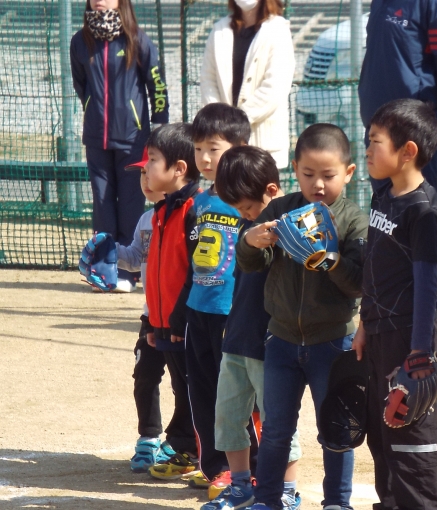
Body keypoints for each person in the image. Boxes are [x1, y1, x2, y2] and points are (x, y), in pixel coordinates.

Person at [235, 124, 369, 510]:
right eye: (308, 174)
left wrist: (330, 259)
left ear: (348, 172)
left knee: (336, 429)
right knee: (277, 430)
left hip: (334, 343)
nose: (318, 183)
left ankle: (337, 502)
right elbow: (252, 263)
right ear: (295, 169)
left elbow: (359, 283)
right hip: (281, 341)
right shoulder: (280, 210)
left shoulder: (354, 219)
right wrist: (250, 241)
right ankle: (266, 500)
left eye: (328, 175)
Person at [150, 103, 260, 494]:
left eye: (214, 148)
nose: (205, 158)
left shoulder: (251, 201)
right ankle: (216, 467)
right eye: (199, 149)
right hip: (199, 312)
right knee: (202, 393)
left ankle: (250, 469)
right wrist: (181, 313)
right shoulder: (198, 202)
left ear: (240, 147)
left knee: (240, 396)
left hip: (234, 314)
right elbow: (194, 264)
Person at [352, 98, 437, 510]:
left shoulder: (423, 210)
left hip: (407, 339)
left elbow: (429, 285)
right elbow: (374, 268)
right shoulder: (384, 195)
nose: (367, 150)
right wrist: (363, 323)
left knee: (411, 433)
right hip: (377, 333)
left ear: (407, 151)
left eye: (376, 142)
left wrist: (420, 352)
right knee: (382, 433)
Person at [202, 145, 302, 510]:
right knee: (229, 418)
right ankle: (241, 486)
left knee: (278, 422)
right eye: (239, 210)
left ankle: (288, 491)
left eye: (247, 208)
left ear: (272, 191)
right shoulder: (249, 228)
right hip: (237, 339)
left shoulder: (292, 229)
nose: (244, 215)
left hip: (271, 343)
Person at [358, 0, 437, 324]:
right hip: (377, 126)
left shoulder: (431, 3)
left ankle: (432, 307)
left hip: (412, 127)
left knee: (421, 216)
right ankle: (394, 300)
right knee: (385, 219)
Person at [70, 0, 169, 292]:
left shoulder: (137, 38)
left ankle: (128, 272)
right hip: (95, 139)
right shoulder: (80, 41)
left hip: (134, 138)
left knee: (130, 204)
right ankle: (104, 271)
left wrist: (159, 123)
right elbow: (80, 84)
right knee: (102, 204)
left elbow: (156, 83)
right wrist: (94, 110)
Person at [140, 123, 202, 478]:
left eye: (153, 160)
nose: (146, 167)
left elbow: (195, 272)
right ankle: (186, 448)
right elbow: (157, 274)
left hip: (186, 322)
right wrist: (153, 321)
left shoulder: (195, 209)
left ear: (179, 168)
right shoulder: (161, 211)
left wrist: (181, 318)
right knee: (182, 387)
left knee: (197, 389)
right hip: (164, 322)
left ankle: (214, 459)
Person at [116, 148, 175, 473]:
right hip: (151, 315)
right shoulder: (145, 219)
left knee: (185, 383)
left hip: (180, 317)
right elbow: (134, 258)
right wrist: (110, 251)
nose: (145, 178)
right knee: (145, 376)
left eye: (150, 169)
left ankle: (183, 441)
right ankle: (149, 437)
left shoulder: (188, 214)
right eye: (141, 172)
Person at [200, 0, 294, 170]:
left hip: (265, 145)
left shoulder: (278, 29)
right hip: (224, 144)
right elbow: (208, 79)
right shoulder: (219, 30)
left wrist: (237, 121)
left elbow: (275, 87)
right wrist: (220, 121)